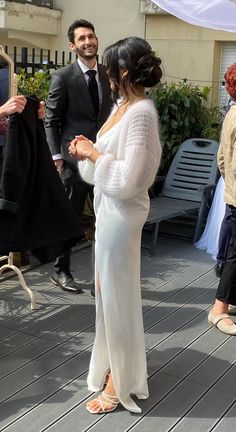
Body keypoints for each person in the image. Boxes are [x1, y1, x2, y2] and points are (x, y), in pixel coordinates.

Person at [69, 37, 162, 413]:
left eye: (111, 66)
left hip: (123, 218)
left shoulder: (141, 112)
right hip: (109, 214)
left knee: (118, 299)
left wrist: (93, 152)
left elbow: (132, 179)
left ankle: (118, 381)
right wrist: (87, 152)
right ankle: (114, 367)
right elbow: (106, 168)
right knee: (108, 297)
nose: (106, 72)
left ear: (123, 70)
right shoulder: (123, 106)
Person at [45, 19, 112, 295]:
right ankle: (61, 271)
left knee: (103, 220)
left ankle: (100, 277)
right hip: (73, 164)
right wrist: (57, 157)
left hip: (102, 159)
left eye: (91, 36)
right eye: (82, 38)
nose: (88, 42)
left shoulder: (109, 74)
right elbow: (52, 119)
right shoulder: (63, 77)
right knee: (70, 218)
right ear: (72, 45)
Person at [208, 63, 236, 335]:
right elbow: (225, 160)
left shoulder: (232, 112)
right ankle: (219, 308)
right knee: (234, 255)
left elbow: (222, 160)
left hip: (233, 193)